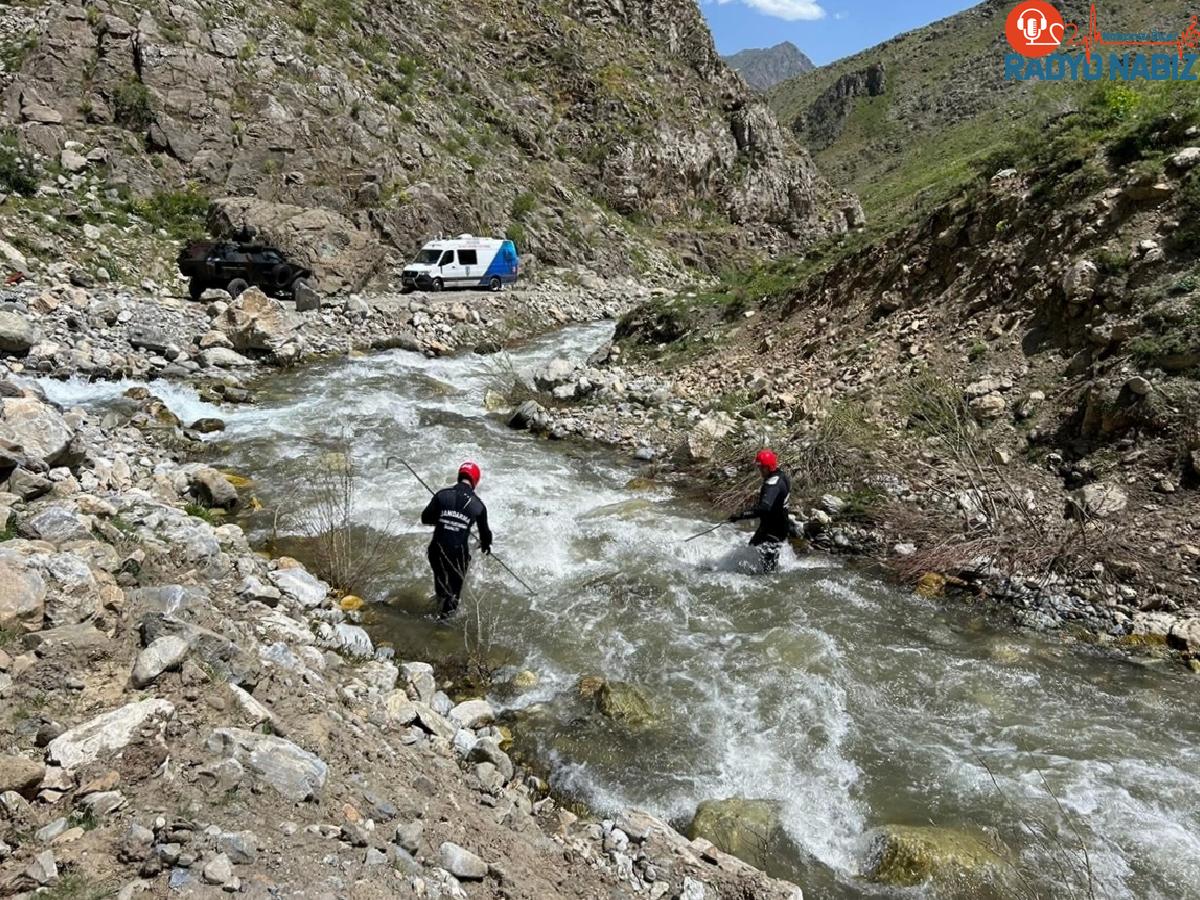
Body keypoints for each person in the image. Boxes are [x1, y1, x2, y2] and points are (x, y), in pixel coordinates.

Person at [420, 461, 493, 617]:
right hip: (457, 555)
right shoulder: (478, 506)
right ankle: (443, 627)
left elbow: (425, 518)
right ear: (475, 481)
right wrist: (486, 545)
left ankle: (437, 605)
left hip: (436, 550)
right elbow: (486, 536)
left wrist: (443, 519)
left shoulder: (442, 495)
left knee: (440, 582)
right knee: (453, 594)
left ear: (459, 476)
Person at [728, 449, 791, 573]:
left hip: (773, 531)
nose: (760, 470)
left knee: (768, 570)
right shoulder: (782, 476)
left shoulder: (772, 484)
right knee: (751, 550)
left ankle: (767, 585)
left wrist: (741, 516)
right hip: (773, 527)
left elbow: (764, 508)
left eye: (762, 468)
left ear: (768, 467)